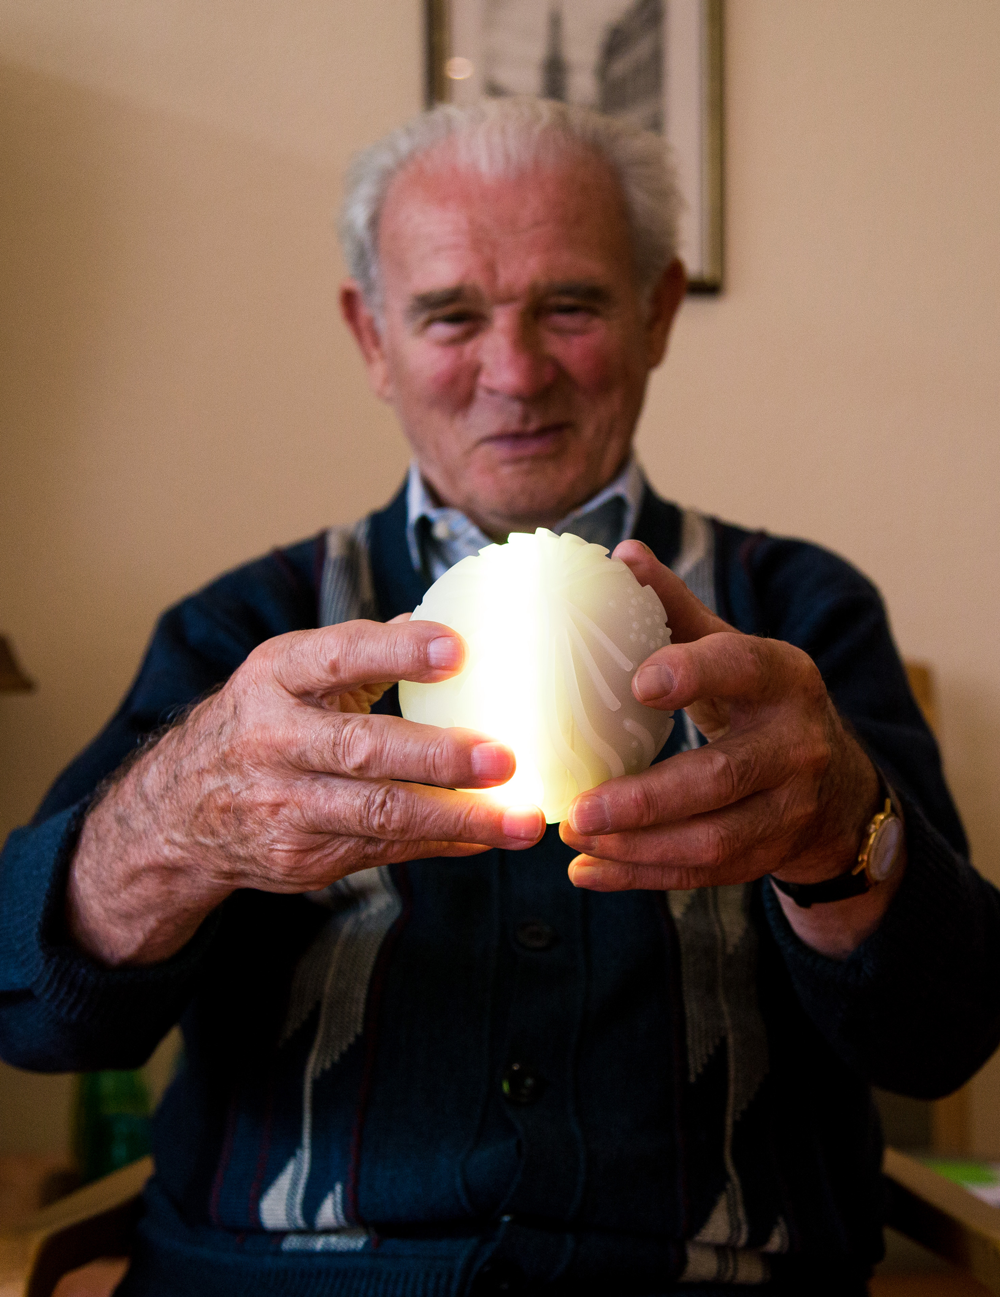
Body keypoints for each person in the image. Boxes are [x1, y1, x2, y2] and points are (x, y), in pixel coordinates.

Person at [1, 97, 998, 1297]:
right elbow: (37, 1015)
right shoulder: (247, 628)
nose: (513, 373)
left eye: (568, 306)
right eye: (449, 315)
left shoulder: (795, 614)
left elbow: (942, 1037)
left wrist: (842, 832)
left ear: (657, 313)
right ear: (371, 336)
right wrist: (171, 819)